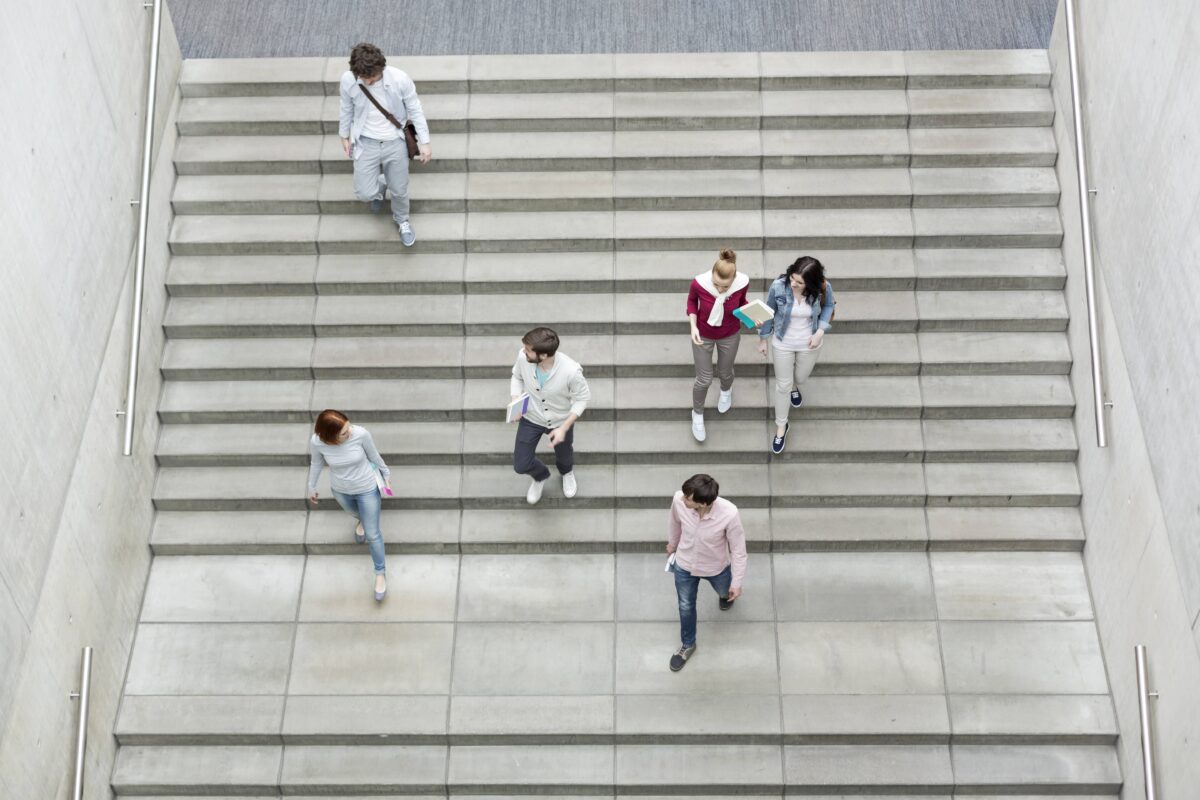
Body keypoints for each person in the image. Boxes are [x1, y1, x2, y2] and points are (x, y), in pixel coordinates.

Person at [338, 42, 432, 247]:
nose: (368, 82)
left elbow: (415, 108)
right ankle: (380, 183)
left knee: (399, 190)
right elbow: (346, 108)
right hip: (366, 141)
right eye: (363, 78)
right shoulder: (349, 80)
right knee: (364, 193)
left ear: (381, 69)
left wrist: (424, 141)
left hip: (395, 142)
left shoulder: (399, 79)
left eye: (371, 78)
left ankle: (402, 220)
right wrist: (344, 134)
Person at [306, 409, 391, 601]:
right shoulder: (317, 442)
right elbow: (316, 463)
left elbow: (374, 456)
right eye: (344, 433)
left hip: (367, 488)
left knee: (372, 533)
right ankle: (361, 519)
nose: (349, 432)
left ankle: (380, 573)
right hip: (341, 490)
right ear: (330, 437)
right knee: (354, 513)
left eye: (348, 427)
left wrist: (386, 475)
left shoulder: (360, 434)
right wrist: (311, 486)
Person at [666, 474, 748, 672]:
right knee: (685, 605)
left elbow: (738, 550)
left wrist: (736, 582)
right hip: (685, 565)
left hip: (715, 568)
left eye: (688, 498)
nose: (683, 499)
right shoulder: (679, 500)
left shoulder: (729, 514)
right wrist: (672, 543)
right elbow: (675, 523)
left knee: (725, 593)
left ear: (702, 503)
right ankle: (688, 644)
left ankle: (725, 597)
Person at [757, 256, 836, 455]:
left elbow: (829, 306)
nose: (793, 284)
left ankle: (794, 385)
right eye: (792, 278)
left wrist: (820, 332)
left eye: (799, 283)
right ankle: (781, 427)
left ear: (811, 283)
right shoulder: (778, 286)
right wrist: (763, 339)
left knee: (799, 378)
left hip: (810, 342)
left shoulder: (823, 288)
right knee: (783, 386)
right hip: (783, 342)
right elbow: (768, 311)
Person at [510, 327, 591, 505]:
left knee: (564, 455)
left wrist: (564, 427)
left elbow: (582, 399)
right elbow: (517, 377)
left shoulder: (571, 371)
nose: (524, 352)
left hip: (560, 421)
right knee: (521, 464)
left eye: (528, 350)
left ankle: (566, 472)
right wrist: (516, 400)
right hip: (531, 417)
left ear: (544, 355)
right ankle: (540, 476)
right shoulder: (523, 357)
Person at [686, 248, 750, 443]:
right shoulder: (700, 283)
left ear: (733, 280)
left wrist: (753, 316)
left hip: (729, 334)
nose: (720, 290)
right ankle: (697, 414)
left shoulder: (742, 283)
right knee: (704, 379)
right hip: (703, 334)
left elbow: (742, 302)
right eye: (716, 285)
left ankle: (725, 391)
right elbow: (691, 302)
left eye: (725, 287)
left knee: (725, 371)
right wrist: (693, 326)